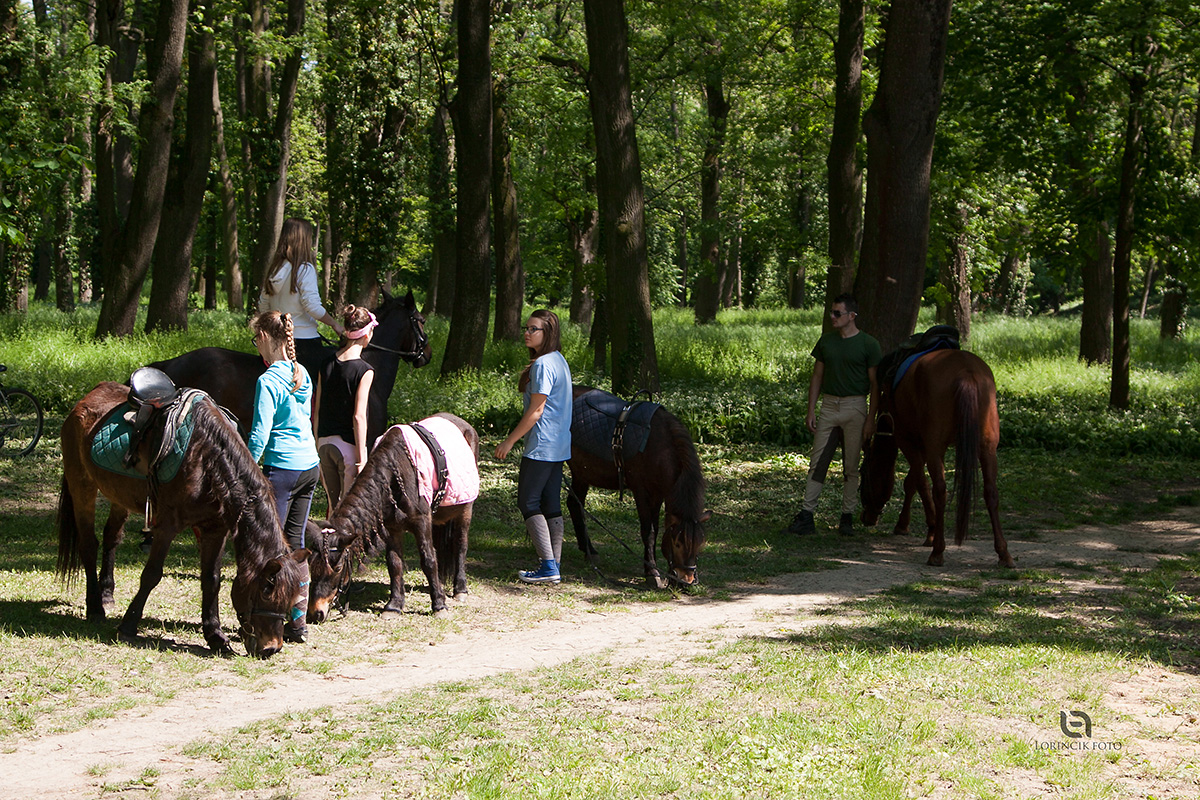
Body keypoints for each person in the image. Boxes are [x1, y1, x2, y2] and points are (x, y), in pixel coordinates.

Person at [248, 311, 320, 642]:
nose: (256, 346)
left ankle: (270, 621)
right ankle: (298, 624)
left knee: (273, 550)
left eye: (256, 339)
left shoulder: (267, 381)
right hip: (309, 465)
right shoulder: (301, 372)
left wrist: (247, 469)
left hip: (283, 470)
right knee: (296, 544)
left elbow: (260, 435)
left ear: (264, 337)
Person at [787, 293, 881, 537]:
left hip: (855, 406)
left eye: (837, 313)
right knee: (817, 462)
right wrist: (811, 409)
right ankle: (806, 515)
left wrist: (871, 418)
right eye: (831, 312)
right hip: (829, 406)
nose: (832, 317)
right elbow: (817, 376)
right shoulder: (826, 342)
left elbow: (875, 384)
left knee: (851, 466)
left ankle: (847, 517)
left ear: (852, 316)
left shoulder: (869, 344)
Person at [494, 309, 573, 585]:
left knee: (528, 501)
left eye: (533, 329)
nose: (527, 333)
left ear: (547, 332)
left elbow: (536, 411)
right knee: (550, 503)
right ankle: (554, 565)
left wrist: (509, 441)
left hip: (542, 446)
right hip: (559, 445)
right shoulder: (558, 360)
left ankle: (548, 566)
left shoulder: (543, 365)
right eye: (526, 328)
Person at [258, 217, 344, 384]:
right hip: (304, 342)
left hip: (275, 343)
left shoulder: (274, 270)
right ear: (304, 240)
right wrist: (335, 324)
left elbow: (263, 306)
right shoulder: (305, 269)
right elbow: (312, 307)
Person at [312, 305, 377, 511]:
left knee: (332, 506)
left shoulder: (326, 363)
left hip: (323, 444)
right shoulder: (364, 370)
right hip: (347, 448)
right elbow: (359, 416)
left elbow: (317, 409)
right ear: (366, 335)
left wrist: (316, 444)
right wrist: (362, 457)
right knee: (347, 510)